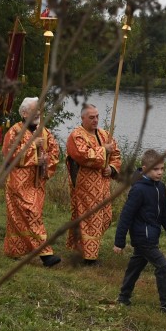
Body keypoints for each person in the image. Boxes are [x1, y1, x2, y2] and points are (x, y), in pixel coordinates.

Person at [114, 149, 166, 313]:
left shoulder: (160, 187)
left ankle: (123, 297)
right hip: (143, 237)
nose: (159, 173)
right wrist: (119, 242)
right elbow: (126, 216)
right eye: (155, 169)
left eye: (162, 169)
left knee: (136, 266)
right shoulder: (138, 189)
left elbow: (165, 213)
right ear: (144, 169)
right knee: (163, 267)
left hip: (152, 235)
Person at [2, 97, 61, 266]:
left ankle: (15, 249)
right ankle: (46, 255)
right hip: (18, 183)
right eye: (35, 110)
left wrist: (45, 160)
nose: (39, 114)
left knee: (20, 218)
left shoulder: (45, 132)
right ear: (25, 113)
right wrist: (32, 147)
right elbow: (9, 156)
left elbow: (55, 153)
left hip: (37, 183)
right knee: (32, 215)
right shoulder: (14, 131)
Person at [65, 103, 121, 265]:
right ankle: (89, 258)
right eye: (91, 117)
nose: (95, 120)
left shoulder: (105, 134)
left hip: (103, 187)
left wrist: (111, 168)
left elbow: (116, 154)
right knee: (91, 220)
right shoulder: (76, 136)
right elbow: (83, 155)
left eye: (97, 117)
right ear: (82, 118)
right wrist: (104, 150)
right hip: (85, 187)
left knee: (105, 218)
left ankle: (81, 246)